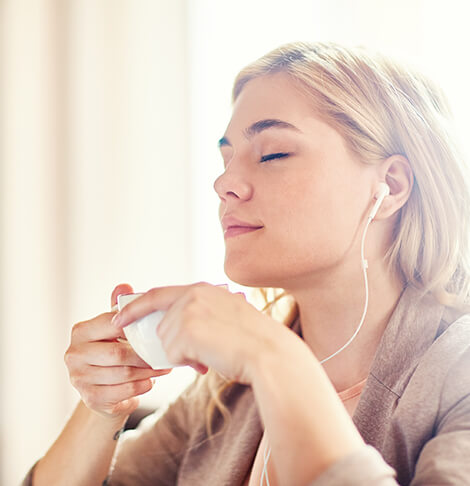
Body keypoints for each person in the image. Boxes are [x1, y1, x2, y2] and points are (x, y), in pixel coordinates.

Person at [23, 41, 470, 486]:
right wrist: (104, 408)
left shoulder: (456, 375)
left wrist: (274, 358)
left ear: (389, 186)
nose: (224, 183)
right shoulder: (223, 393)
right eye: (226, 158)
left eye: (273, 154)